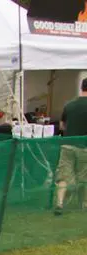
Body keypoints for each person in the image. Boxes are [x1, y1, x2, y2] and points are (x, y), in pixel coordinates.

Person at [54, 77, 87, 215]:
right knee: (84, 177)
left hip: (67, 145)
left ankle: (60, 204)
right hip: (84, 147)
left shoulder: (69, 105)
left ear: (81, 87)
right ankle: (84, 204)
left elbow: (62, 125)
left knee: (63, 177)